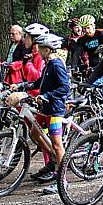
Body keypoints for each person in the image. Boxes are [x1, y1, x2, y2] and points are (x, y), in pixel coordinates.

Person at [15, 33, 70, 195]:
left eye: (41, 48)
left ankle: (62, 181)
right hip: (45, 107)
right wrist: (22, 86)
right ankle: (54, 158)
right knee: (34, 132)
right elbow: (40, 82)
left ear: (48, 49)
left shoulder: (56, 64)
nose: (37, 51)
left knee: (57, 143)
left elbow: (64, 87)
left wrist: (46, 96)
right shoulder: (48, 63)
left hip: (55, 109)